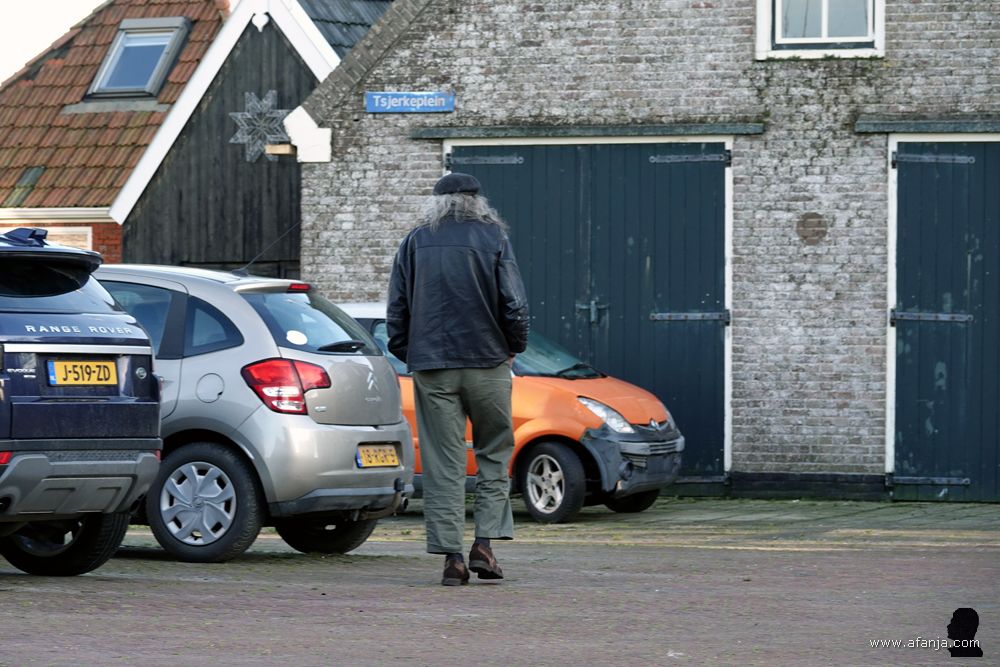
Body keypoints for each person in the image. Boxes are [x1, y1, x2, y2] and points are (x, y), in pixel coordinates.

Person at [387, 172, 529, 586]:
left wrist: (410, 352)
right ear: (477, 201)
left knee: (442, 462)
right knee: (493, 452)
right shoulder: (494, 238)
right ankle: (484, 544)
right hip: (488, 361)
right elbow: (514, 304)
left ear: (437, 203)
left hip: (433, 367)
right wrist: (513, 347)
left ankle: (452, 558)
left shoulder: (415, 241)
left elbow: (397, 308)